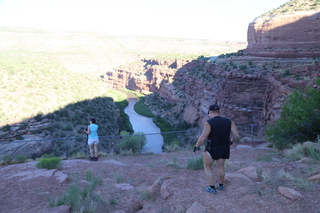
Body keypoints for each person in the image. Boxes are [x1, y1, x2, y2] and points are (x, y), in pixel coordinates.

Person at [193, 104, 240, 194]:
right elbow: (236, 135)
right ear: (218, 111)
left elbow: (203, 137)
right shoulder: (229, 121)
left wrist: (196, 146)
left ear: (210, 112)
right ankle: (221, 185)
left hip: (212, 148)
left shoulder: (209, 123)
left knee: (207, 166)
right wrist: (231, 141)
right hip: (224, 147)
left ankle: (212, 187)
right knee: (220, 167)